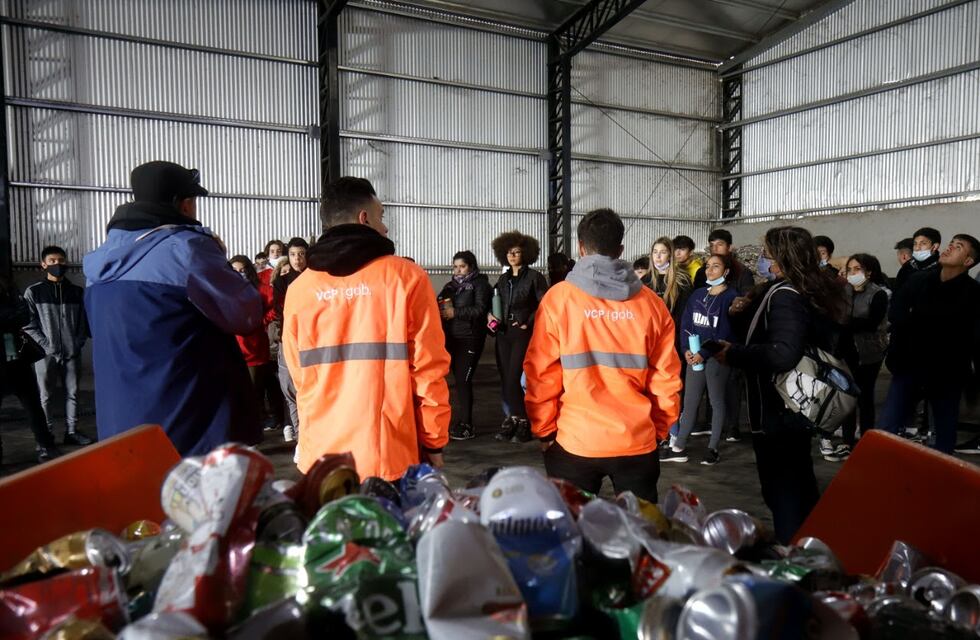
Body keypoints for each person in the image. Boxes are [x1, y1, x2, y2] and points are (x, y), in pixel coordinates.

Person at [83, 161, 263, 455]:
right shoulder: (187, 249)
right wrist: (222, 260)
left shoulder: (98, 263)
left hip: (121, 428)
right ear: (184, 204)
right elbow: (246, 313)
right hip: (188, 431)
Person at [282, 176, 450, 480]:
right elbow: (428, 371)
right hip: (387, 456)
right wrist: (434, 441)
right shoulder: (406, 279)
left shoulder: (300, 289)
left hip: (321, 458)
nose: (385, 228)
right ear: (365, 218)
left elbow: (298, 378)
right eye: (382, 217)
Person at [524, 208, 681, 503]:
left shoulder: (558, 300)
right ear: (620, 249)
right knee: (640, 535)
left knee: (572, 532)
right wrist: (658, 429)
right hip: (636, 441)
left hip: (574, 442)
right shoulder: (652, 304)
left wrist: (543, 430)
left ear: (581, 248)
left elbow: (540, 374)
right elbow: (667, 376)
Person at [716, 226, 848, 543]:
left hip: (780, 410)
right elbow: (774, 335)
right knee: (797, 484)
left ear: (781, 258)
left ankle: (794, 557)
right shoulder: (795, 290)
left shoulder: (786, 296)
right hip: (791, 410)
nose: (762, 259)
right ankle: (807, 546)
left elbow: (783, 353)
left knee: (784, 490)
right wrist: (740, 316)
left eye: (766, 254)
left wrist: (733, 353)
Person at [879, 234, 980, 455]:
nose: (949, 248)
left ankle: (940, 477)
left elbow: (967, 336)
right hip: (909, 364)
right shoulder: (920, 281)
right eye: (951, 244)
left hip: (946, 371)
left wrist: (919, 321)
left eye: (958, 247)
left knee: (943, 432)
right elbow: (896, 312)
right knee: (887, 425)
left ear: (968, 261)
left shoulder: (973, 294)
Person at [661, 254, 739, 466]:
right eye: (708, 266)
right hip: (694, 356)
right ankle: (678, 447)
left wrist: (702, 354)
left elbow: (723, 332)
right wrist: (686, 349)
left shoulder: (730, 297)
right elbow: (686, 324)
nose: (710, 270)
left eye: (716, 267)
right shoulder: (697, 295)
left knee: (715, 399)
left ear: (726, 272)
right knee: (690, 401)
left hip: (716, 356)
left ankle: (713, 448)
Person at [23, 246, 93, 446]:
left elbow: (83, 322)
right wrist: (47, 346)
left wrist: (77, 344)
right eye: (52, 261)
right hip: (44, 355)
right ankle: (47, 437)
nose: (57, 264)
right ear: (43, 264)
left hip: (72, 353)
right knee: (45, 396)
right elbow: (28, 324)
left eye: (61, 260)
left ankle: (71, 432)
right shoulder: (34, 292)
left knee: (73, 393)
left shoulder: (77, 292)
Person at [824, 254, 890, 462]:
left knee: (865, 397)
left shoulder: (878, 294)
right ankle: (847, 441)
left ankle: (866, 439)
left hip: (869, 352)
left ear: (869, 272)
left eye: (857, 269)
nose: (852, 274)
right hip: (846, 351)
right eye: (850, 269)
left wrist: (845, 322)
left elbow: (871, 323)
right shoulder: (845, 291)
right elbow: (835, 317)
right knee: (847, 396)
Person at [489, 230, 548, 444]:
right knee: (506, 378)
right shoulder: (503, 280)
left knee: (515, 377)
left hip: (523, 332)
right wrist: (491, 319)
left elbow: (544, 304)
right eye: (509, 252)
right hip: (503, 332)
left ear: (526, 253)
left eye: (517, 252)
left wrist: (527, 322)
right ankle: (513, 418)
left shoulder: (535, 277)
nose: (512, 256)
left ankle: (523, 421)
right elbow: (495, 303)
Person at [1, 275, 62, 463]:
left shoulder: (7, 286)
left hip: (17, 360)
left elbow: (23, 314)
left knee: (33, 407)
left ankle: (46, 445)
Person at [437, 251, 491, 440]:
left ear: (471, 266)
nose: (458, 270)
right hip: (452, 339)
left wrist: (455, 313)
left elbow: (480, 309)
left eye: (462, 266)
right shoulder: (450, 287)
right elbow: (440, 304)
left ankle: (467, 425)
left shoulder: (480, 285)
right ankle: (460, 421)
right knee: (457, 382)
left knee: (463, 380)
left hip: (471, 337)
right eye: (455, 266)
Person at [229, 255, 283, 436]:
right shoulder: (225, 290)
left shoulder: (262, 289)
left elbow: (276, 306)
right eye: (235, 270)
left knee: (255, 391)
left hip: (254, 347)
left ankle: (255, 429)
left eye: (243, 269)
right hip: (233, 347)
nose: (239, 274)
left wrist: (261, 321)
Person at [273, 237, 308, 444]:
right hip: (289, 339)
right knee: (289, 388)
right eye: (293, 254)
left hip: (311, 340)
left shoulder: (317, 279)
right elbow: (279, 311)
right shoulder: (281, 282)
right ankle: (299, 436)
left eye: (302, 254)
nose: (297, 259)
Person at [647, 236, 692, 329]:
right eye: (655, 252)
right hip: (651, 330)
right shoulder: (646, 279)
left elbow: (685, 311)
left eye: (663, 252)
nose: (658, 256)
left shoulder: (682, 280)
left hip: (674, 330)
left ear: (670, 255)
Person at [692, 229, 754, 295]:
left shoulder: (742, 273)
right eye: (711, 245)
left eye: (720, 244)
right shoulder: (702, 272)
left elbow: (746, 299)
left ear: (729, 247)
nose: (714, 249)